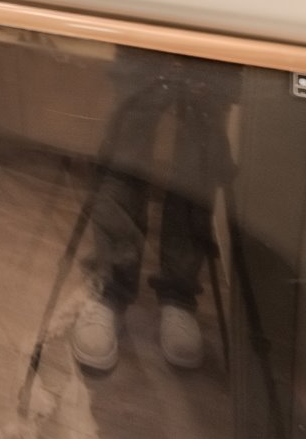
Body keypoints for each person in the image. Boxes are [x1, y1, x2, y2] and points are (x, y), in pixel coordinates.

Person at [70, 48, 237, 374]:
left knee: (197, 158)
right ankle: (111, 289)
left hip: (212, 22)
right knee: (125, 148)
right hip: (145, 20)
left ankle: (179, 294)